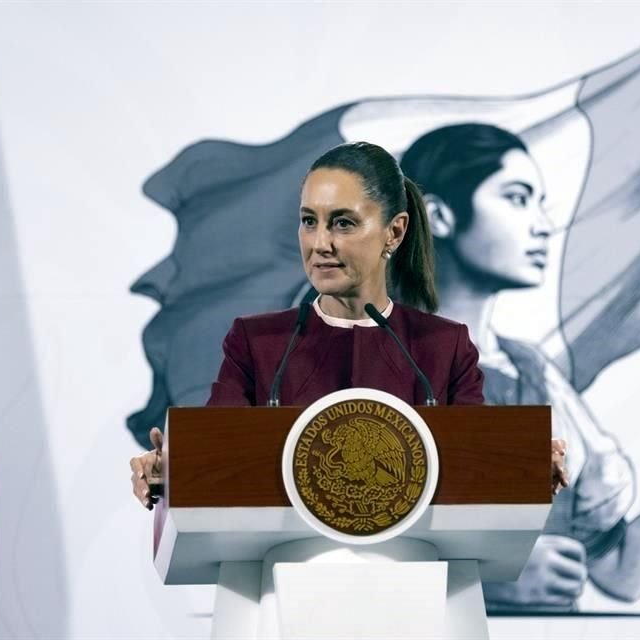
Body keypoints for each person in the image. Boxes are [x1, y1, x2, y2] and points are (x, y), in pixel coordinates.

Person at [399, 123, 640, 609]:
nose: (543, 224)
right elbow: (313, 564)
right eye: (517, 198)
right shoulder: (363, 367)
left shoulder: (534, 373)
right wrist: (485, 582)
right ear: (437, 216)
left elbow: (619, 571)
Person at [130, 140, 570, 506]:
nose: (320, 243)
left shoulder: (444, 347)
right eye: (309, 222)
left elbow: (477, 473)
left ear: (394, 234)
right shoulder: (258, 344)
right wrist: (170, 471)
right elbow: (216, 458)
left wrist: (527, 468)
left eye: (342, 223)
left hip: (413, 592)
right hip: (286, 589)